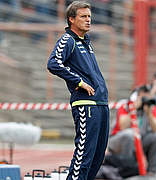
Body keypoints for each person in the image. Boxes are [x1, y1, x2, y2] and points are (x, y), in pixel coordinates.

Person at [47, 1, 109, 180]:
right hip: (86, 105)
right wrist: (79, 82)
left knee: (97, 158)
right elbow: (53, 63)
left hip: (100, 103)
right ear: (71, 19)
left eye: (89, 16)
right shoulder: (68, 40)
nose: (88, 20)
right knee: (84, 158)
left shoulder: (86, 42)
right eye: (83, 16)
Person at [108, 86, 156, 177]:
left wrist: (149, 114)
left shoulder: (150, 107)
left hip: (138, 140)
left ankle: (152, 172)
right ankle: (128, 170)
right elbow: (122, 126)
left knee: (155, 137)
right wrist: (134, 109)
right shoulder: (125, 105)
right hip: (117, 141)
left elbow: (155, 129)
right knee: (130, 134)